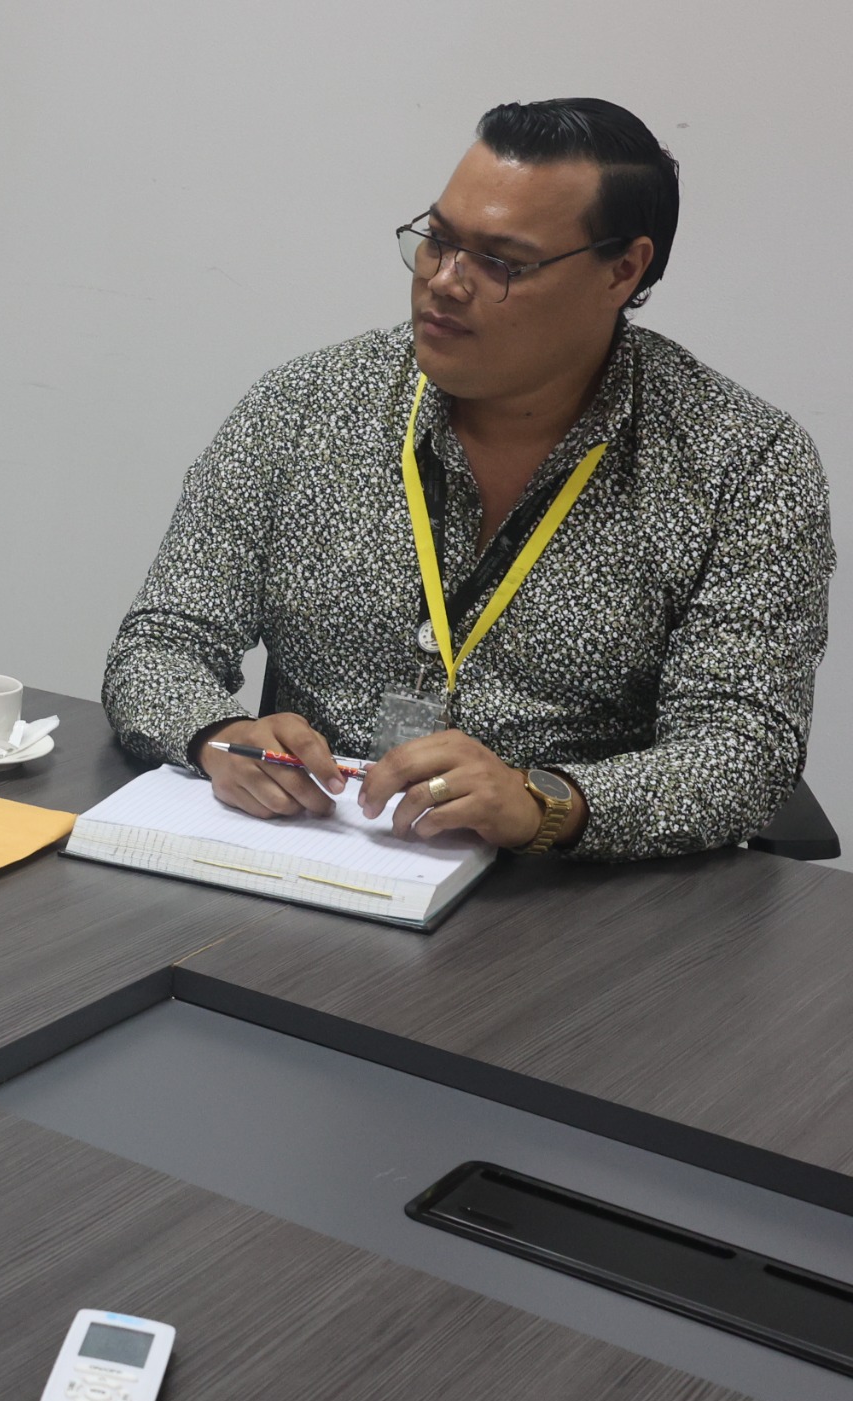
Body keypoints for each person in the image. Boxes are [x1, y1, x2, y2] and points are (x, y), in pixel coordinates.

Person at [103, 98, 833, 860]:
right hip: (313, 859)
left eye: (501, 262)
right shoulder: (305, 406)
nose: (445, 282)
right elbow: (160, 643)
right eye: (439, 240)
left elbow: (743, 749)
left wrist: (546, 803)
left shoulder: (743, 463)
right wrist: (217, 735)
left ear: (623, 271)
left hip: (568, 896)